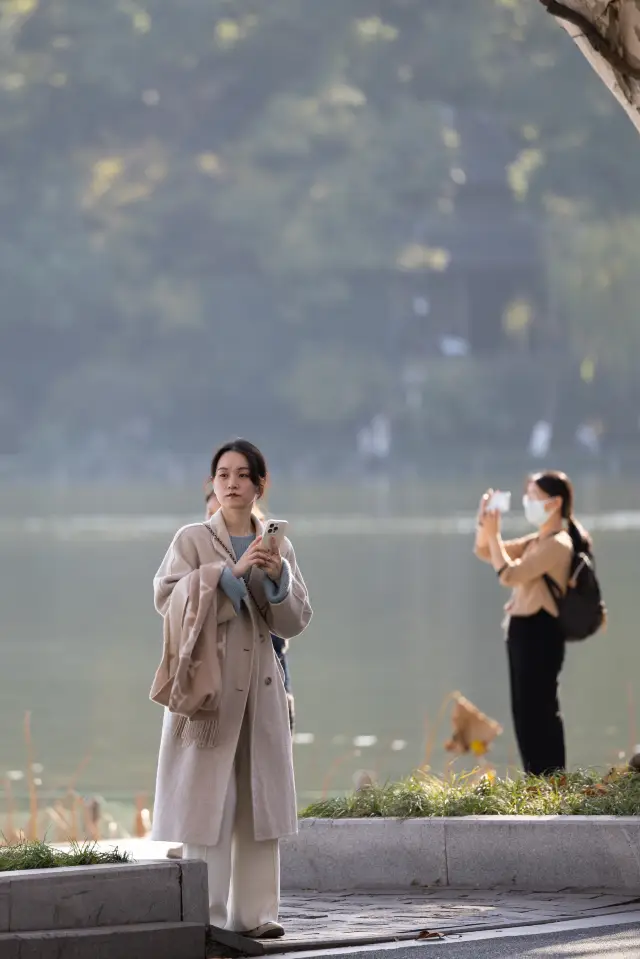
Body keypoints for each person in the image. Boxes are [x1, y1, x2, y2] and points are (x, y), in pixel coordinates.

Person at [150, 439, 312, 938]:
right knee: (209, 807)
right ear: (212, 484)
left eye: (243, 475)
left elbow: (297, 619)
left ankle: (258, 917)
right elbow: (167, 599)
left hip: (261, 689)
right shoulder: (192, 538)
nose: (232, 484)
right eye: (223, 475)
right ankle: (210, 916)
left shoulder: (277, 543)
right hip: (212, 688)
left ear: (260, 485)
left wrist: (276, 576)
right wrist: (226, 576)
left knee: (259, 804)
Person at [474, 470, 591, 776]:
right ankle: (533, 778)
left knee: (542, 709)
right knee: (522, 711)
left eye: (534, 497)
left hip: (542, 633)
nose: (528, 502)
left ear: (555, 503)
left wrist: (496, 534)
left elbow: (509, 574)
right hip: (521, 632)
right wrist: (484, 523)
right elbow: (485, 550)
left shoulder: (558, 544)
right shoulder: (535, 541)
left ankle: (552, 777)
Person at [204, 478, 295, 732]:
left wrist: (275, 577)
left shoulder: (267, 553)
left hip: (268, 680)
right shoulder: (200, 554)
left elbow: (285, 624)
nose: (215, 521)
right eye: (210, 514)